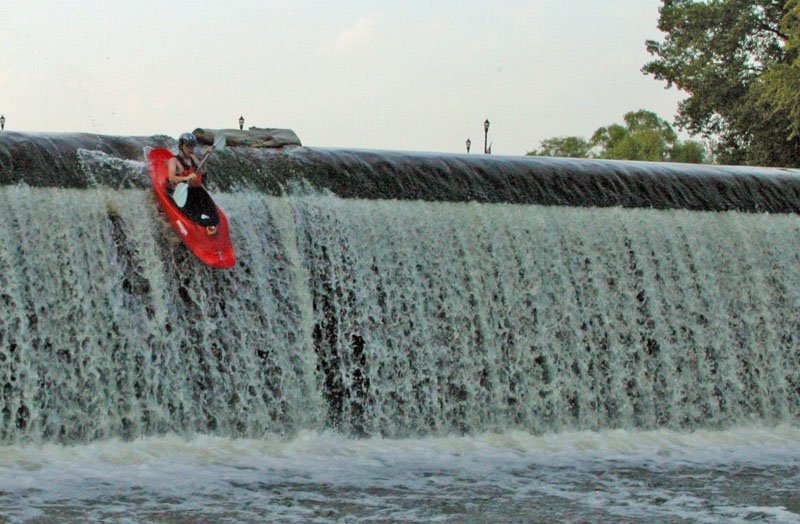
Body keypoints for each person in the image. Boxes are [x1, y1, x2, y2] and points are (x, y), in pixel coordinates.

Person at [167, 132, 219, 235]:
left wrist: (206, 154)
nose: (190, 149)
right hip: (183, 193)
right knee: (195, 215)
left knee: (215, 218)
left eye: (192, 146)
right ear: (181, 146)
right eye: (187, 146)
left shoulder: (193, 158)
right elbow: (171, 178)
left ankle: (208, 223)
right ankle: (201, 224)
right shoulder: (174, 160)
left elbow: (202, 171)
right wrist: (186, 177)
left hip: (197, 191)